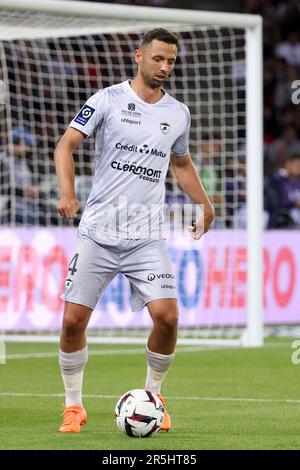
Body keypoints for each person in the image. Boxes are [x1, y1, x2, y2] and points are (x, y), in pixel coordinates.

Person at [54, 28, 215, 433]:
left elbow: (180, 163)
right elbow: (65, 145)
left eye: (171, 61)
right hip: (99, 232)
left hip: (146, 236)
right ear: (138, 56)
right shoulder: (106, 100)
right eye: (158, 59)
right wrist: (69, 193)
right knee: (73, 321)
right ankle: (74, 407)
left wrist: (205, 203)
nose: (165, 67)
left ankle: (154, 399)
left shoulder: (177, 113)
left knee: (168, 318)